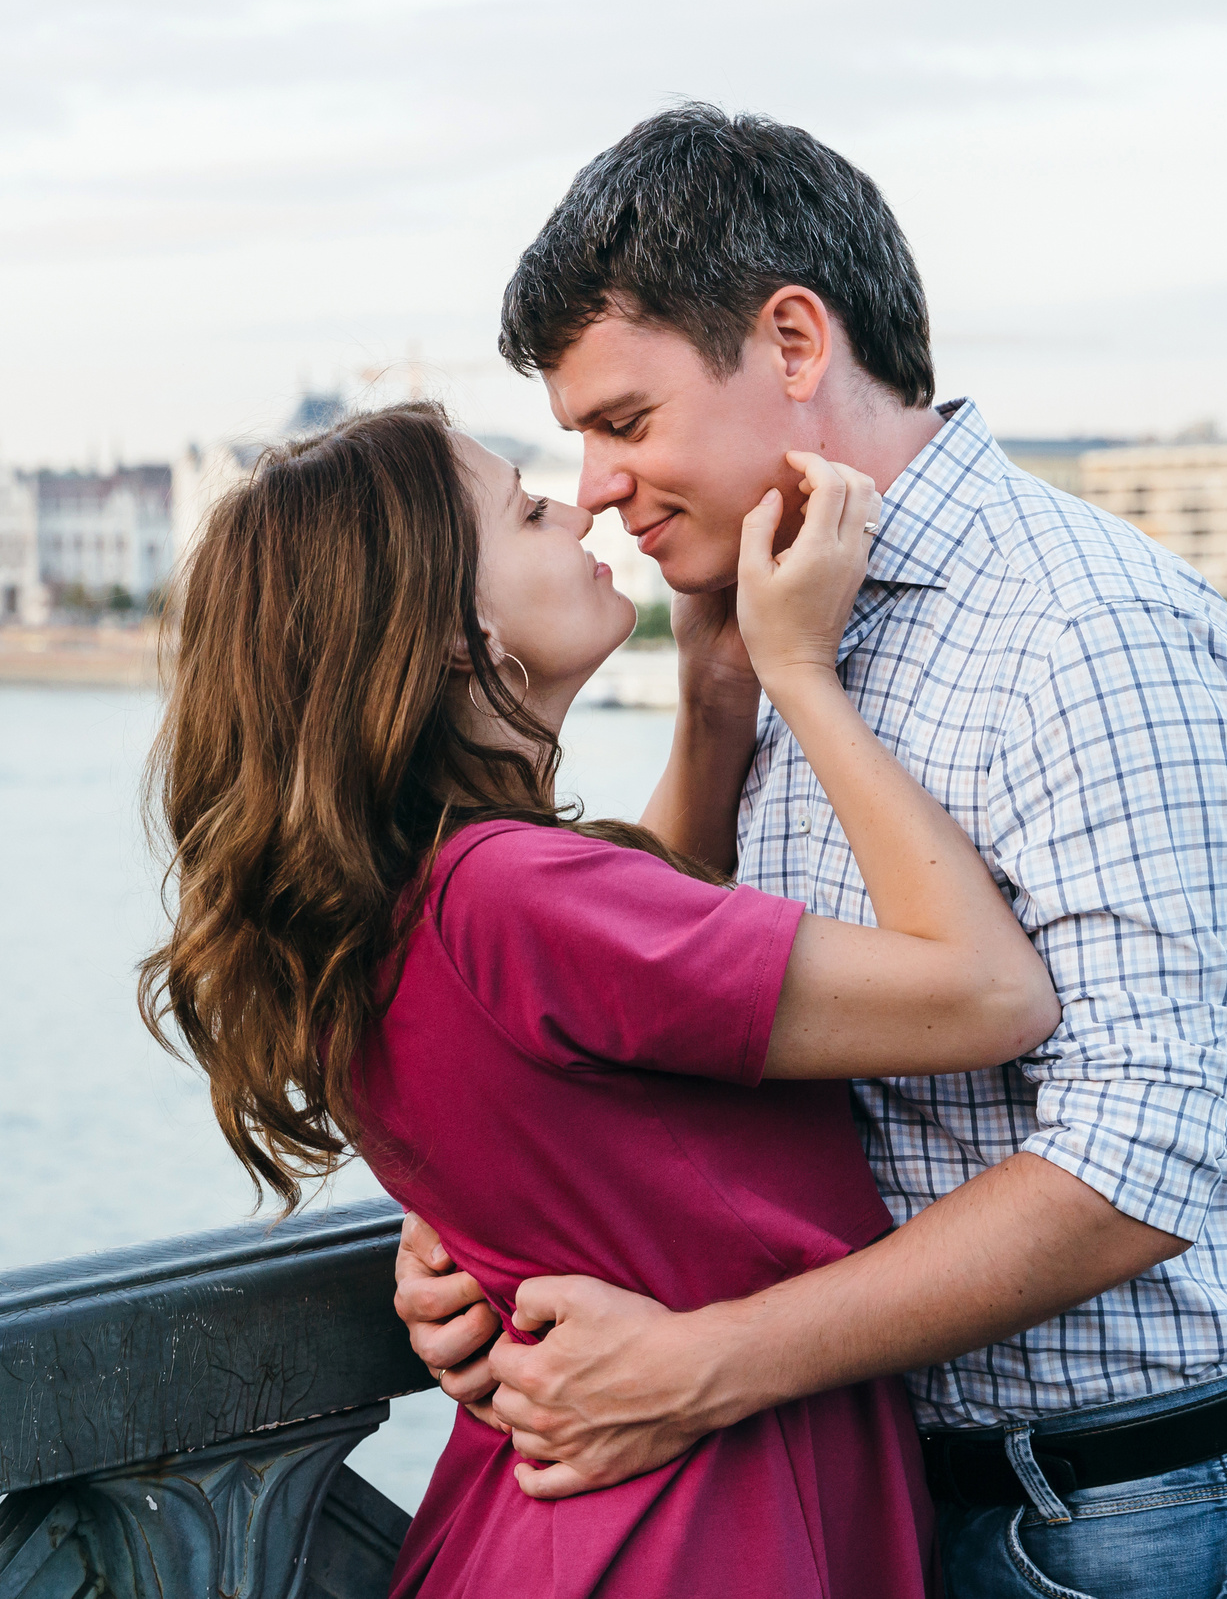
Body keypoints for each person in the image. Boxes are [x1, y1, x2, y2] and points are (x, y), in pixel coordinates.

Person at [393, 105, 1227, 1597]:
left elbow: (1144, 1156)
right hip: (895, 1498)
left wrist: (704, 1363)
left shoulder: (1087, 634)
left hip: (1146, 1514)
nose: (592, 484)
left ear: (794, 343)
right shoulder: (763, 616)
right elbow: (668, 1002)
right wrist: (481, 1215)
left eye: (624, 420)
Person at [139, 401, 1066, 1594]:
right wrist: (800, 673)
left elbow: (628, 981)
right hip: (698, 1530)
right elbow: (990, 994)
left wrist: (717, 694)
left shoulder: (404, 901)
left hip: (568, 1520)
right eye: (526, 512)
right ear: (454, 633)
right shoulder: (513, 897)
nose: (579, 509)